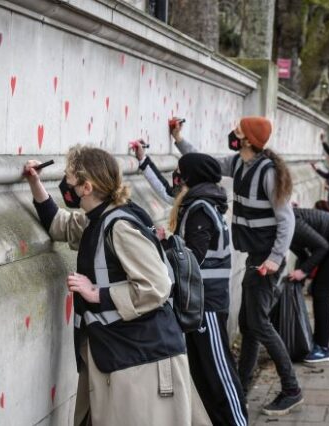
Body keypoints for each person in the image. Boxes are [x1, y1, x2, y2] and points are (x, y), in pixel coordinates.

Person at [24, 146, 192, 426]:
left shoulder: (119, 226)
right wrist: (34, 182)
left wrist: (96, 293)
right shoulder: (98, 218)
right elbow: (59, 225)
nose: (65, 185)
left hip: (141, 362)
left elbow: (157, 284)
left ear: (87, 187)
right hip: (119, 355)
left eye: (69, 179)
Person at [174, 116, 304, 416]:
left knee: (257, 323)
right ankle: (241, 386)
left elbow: (287, 220)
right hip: (254, 257)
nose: (233, 132)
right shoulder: (239, 164)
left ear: (248, 139)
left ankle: (291, 388)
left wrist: (274, 260)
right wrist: (179, 140)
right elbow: (204, 164)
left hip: (266, 260)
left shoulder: (268, 173)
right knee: (248, 325)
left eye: (238, 130)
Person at [132, 142, 248, 425]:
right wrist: (143, 159)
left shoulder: (199, 208)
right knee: (203, 371)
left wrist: (168, 242)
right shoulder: (197, 201)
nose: (177, 177)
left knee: (218, 372)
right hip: (199, 300)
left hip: (206, 302)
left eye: (180, 173)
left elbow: (193, 256)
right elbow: (167, 191)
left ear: (191, 176)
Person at [287, 208, 329, 362]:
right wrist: (301, 273)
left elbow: (322, 246)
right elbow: (303, 253)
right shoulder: (284, 224)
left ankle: (323, 348)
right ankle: (317, 343)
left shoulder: (292, 222)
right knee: (317, 290)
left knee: (321, 292)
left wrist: (303, 271)